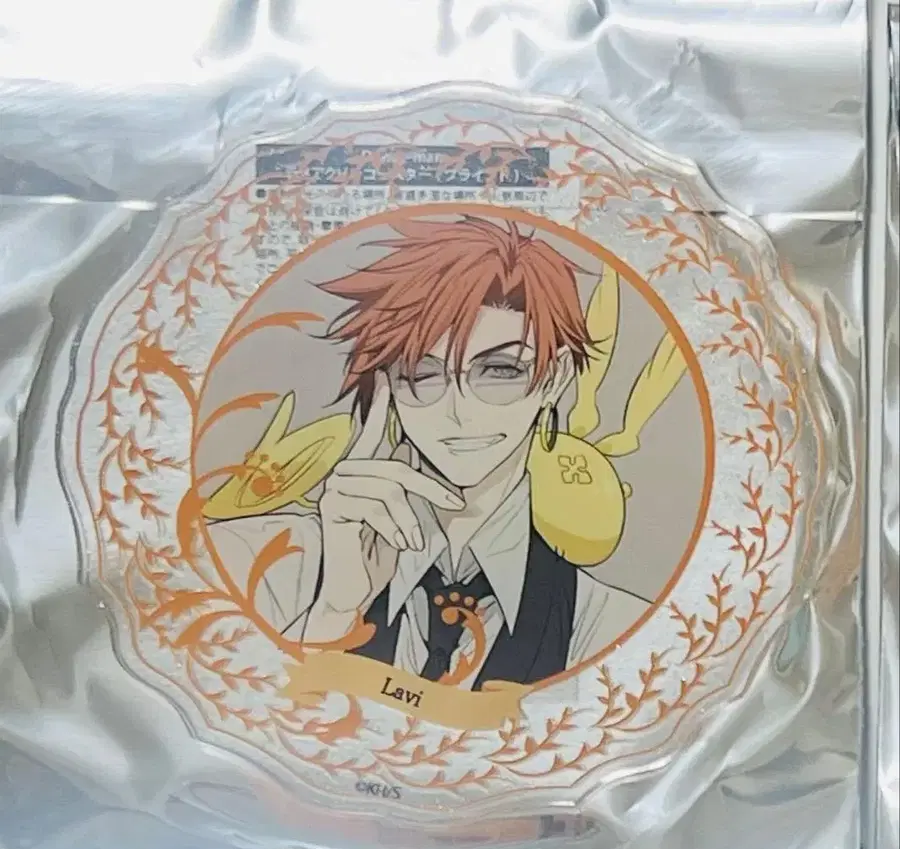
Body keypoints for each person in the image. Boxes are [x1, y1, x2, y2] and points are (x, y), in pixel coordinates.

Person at [206, 215, 687, 690]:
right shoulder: (255, 562)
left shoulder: (612, 625)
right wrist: (334, 610)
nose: (460, 411)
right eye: (422, 374)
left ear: (555, 379)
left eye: (500, 370)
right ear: (387, 385)